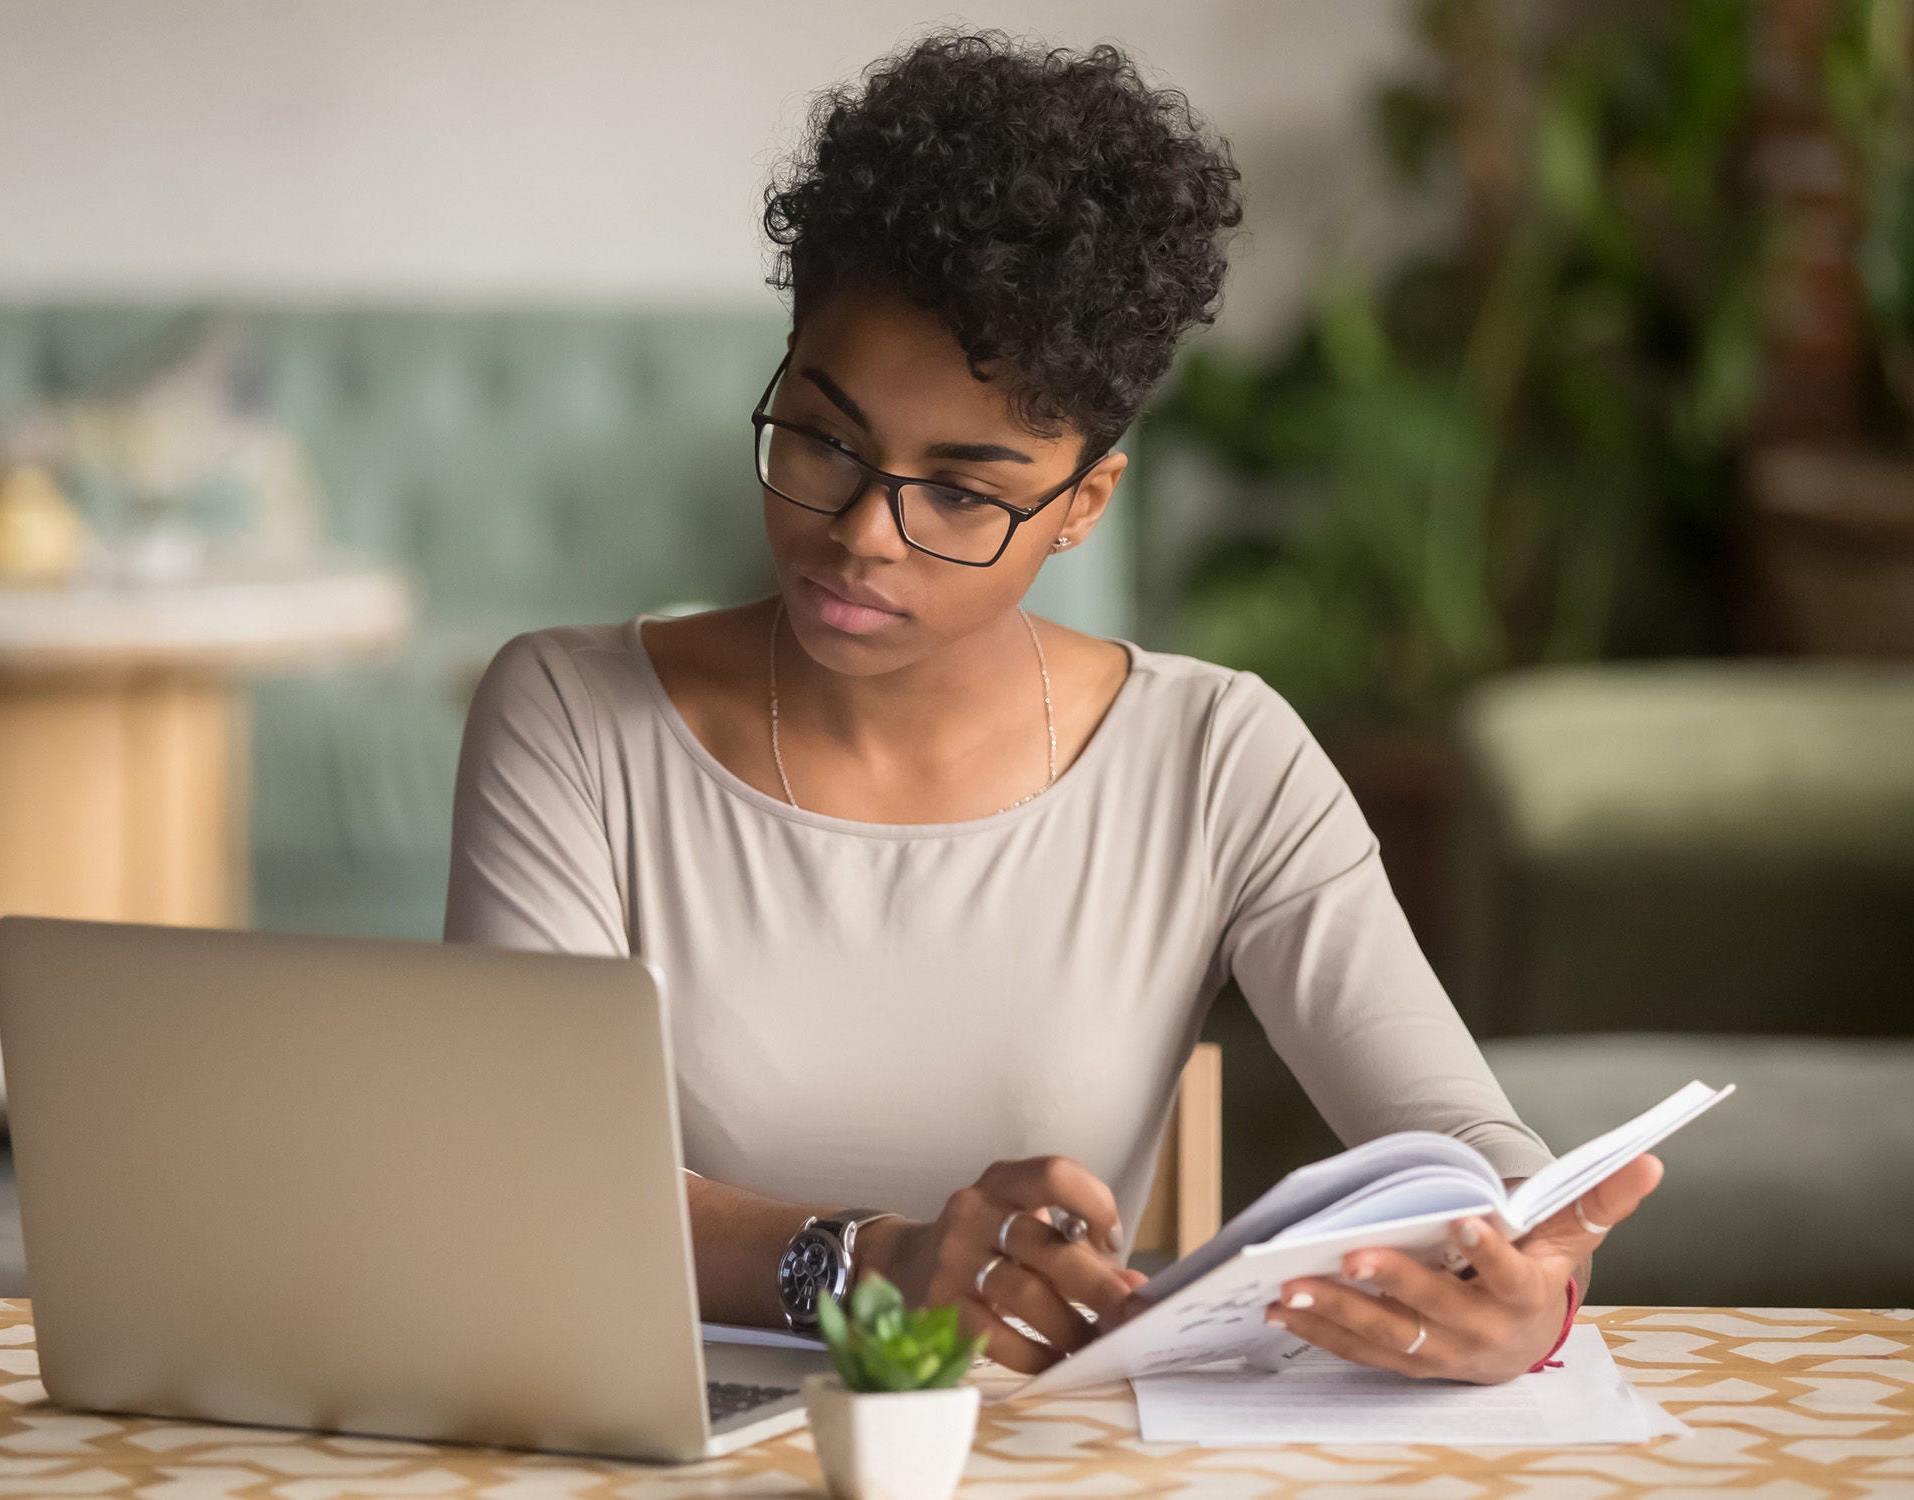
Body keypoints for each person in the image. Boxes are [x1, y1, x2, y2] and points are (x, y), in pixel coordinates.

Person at [444, 27, 1661, 1383]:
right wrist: (871, 1265)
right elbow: (522, 1178)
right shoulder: (567, 717)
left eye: (962, 490)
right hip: (664, 1449)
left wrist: (1529, 1282)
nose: (863, 535)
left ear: (1085, 504)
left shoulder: (1217, 756)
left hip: (1049, 1455)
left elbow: (1457, 1134)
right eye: (823, 437)